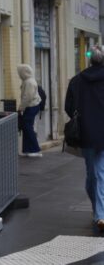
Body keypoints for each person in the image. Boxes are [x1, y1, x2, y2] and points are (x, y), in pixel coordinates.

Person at [65, 45, 104, 232]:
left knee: (92, 173)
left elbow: (68, 107)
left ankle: (97, 211)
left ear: (90, 60)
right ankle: (100, 215)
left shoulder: (76, 80)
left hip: (86, 133)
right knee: (101, 173)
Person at [17, 64, 42, 157]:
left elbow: (27, 97)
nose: (19, 74)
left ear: (23, 72)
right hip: (32, 106)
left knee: (27, 127)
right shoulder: (28, 81)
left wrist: (21, 108)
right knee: (26, 127)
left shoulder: (29, 82)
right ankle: (27, 150)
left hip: (31, 106)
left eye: (20, 72)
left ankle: (35, 149)